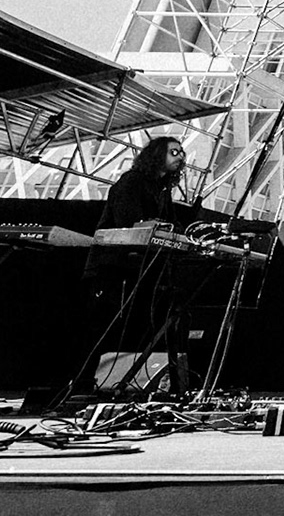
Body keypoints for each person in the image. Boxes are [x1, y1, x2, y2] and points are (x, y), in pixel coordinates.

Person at [76, 136, 191, 393]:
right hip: (111, 268)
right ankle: (80, 386)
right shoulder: (131, 182)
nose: (180, 156)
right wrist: (160, 229)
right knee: (100, 328)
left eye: (182, 152)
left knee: (169, 317)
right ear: (156, 155)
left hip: (137, 269)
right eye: (174, 151)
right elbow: (129, 223)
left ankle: (171, 384)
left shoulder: (162, 189)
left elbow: (172, 227)